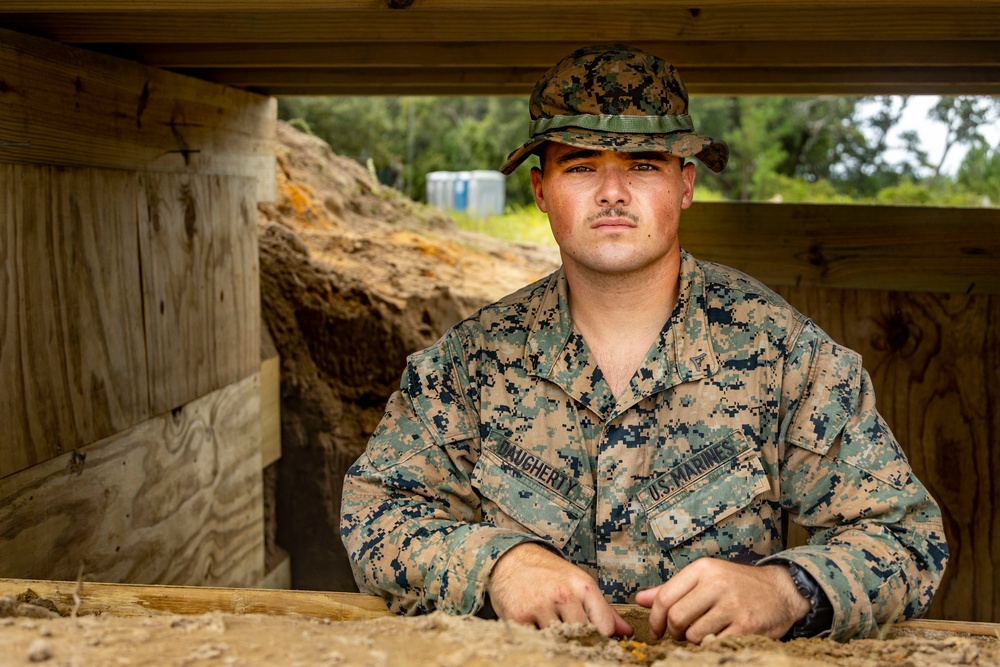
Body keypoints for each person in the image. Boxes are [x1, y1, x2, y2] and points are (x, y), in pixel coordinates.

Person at [340, 44, 948, 643]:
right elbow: (377, 511)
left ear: (685, 185)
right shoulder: (470, 363)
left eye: (643, 166)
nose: (611, 192)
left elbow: (906, 537)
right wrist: (499, 564)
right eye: (579, 166)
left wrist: (787, 590)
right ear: (540, 191)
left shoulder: (783, 354)